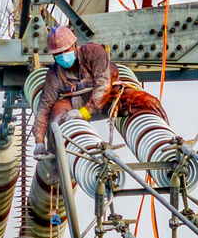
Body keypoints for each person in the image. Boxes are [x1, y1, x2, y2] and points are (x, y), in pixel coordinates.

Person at [31, 25, 168, 157]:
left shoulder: (93, 53)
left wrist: (84, 112)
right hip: (76, 104)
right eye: (57, 54)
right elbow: (44, 108)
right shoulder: (54, 75)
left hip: (108, 99)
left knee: (148, 102)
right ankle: (57, 164)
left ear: (74, 45)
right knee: (57, 116)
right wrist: (39, 142)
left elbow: (103, 85)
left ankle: (167, 141)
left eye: (65, 51)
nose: (62, 56)